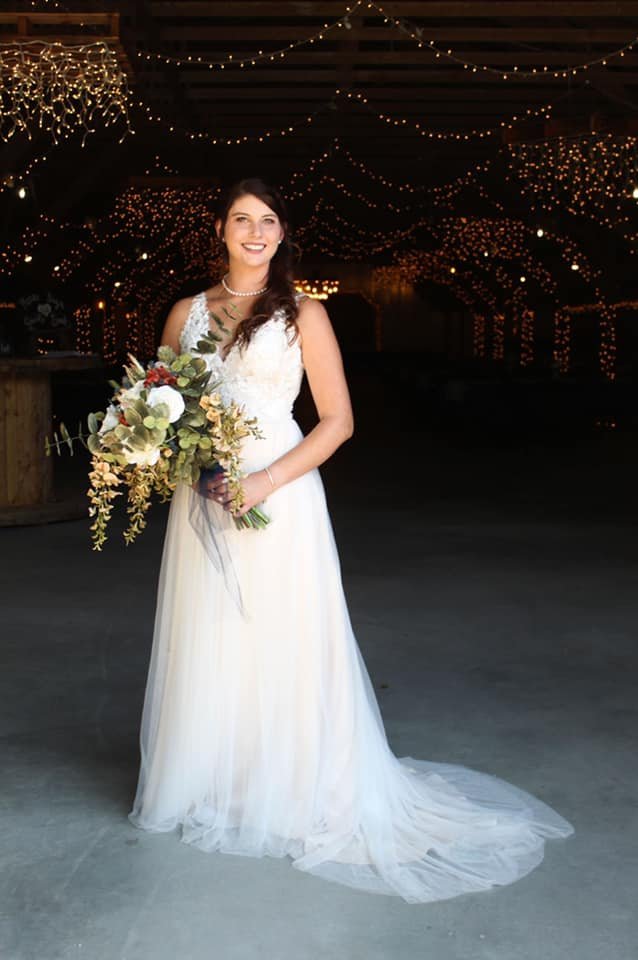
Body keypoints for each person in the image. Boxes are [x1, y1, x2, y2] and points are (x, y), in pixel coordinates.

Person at [128, 178, 573, 903]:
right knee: (209, 631)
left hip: (281, 487)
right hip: (204, 496)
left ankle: (292, 783)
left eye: (268, 221)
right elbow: (164, 397)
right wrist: (177, 454)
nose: (255, 232)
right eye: (242, 219)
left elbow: (338, 421)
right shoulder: (186, 311)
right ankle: (217, 778)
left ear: (282, 234)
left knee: (285, 634)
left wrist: (265, 482)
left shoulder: (305, 313)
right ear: (219, 229)